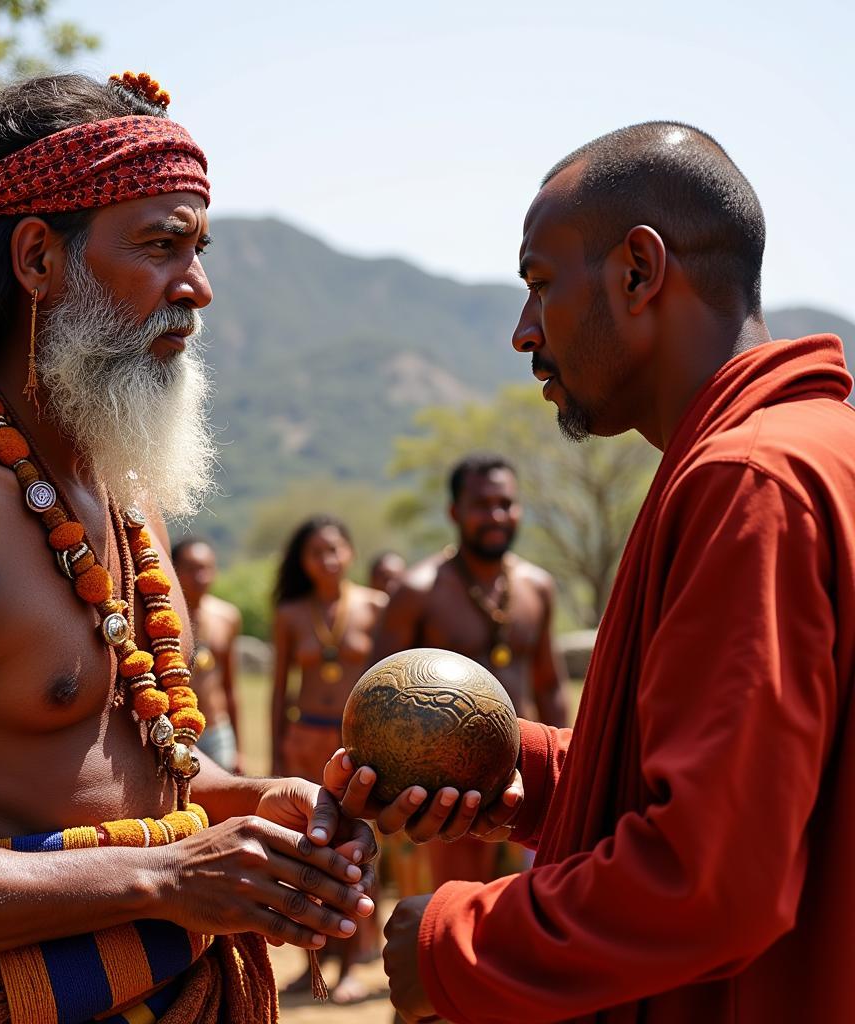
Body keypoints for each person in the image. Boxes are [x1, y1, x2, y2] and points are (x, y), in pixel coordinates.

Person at [0, 72, 378, 1023]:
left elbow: (143, 774)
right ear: (38, 259)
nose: (197, 288)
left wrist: (256, 804)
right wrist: (165, 879)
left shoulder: (124, 500)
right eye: (162, 247)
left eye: (199, 249)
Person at [373, 121, 855, 1023]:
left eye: (540, 285)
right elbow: (744, 788)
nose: (523, 332)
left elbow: (712, 879)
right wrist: (506, 767)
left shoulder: (747, 482)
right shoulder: (802, 454)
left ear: (639, 271)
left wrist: (455, 941)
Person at [370, 452, 569, 888]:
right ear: (455, 512)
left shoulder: (537, 588)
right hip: (441, 789)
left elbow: (550, 684)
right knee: (448, 906)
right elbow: (373, 696)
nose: (496, 515)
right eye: (482, 504)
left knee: (522, 908)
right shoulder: (418, 591)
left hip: (523, 780)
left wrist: (566, 780)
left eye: (506, 503)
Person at [271, 514, 388, 1003]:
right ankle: (313, 963)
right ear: (304, 561)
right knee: (308, 848)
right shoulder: (291, 614)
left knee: (358, 850)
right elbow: (279, 691)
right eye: (317, 552)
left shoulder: (376, 607)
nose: (328, 559)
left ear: (351, 553)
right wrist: (276, 752)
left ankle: (357, 964)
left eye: (336, 549)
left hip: (358, 748)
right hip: (305, 740)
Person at [170, 535, 243, 773]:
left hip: (217, 731)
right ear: (173, 569)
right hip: (176, 732)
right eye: (191, 569)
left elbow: (230, 686)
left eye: (206, 568)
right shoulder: (163, 618)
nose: (201, 577)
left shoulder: (227, 617)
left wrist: (239, 748)